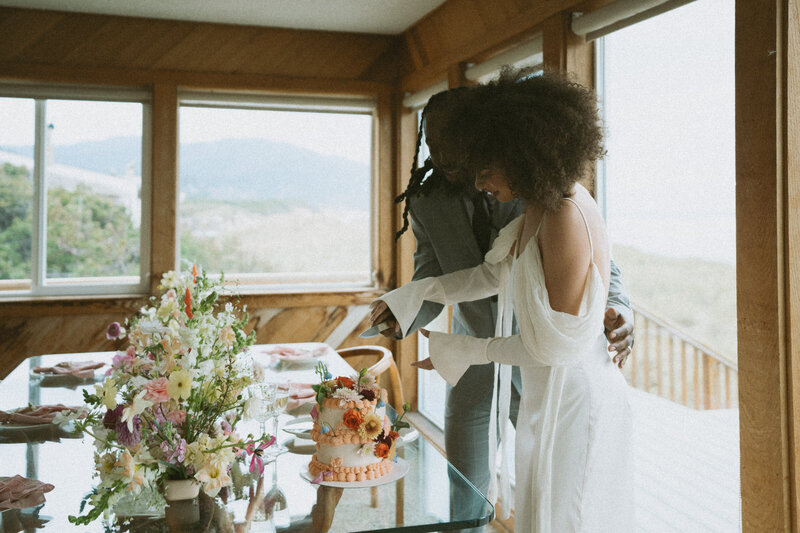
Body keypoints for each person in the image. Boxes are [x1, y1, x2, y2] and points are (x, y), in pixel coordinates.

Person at [371, 70, 634, 531]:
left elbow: (556, 337)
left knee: (564, 516)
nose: (475, 178)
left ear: (513, 149)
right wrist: (409, 300)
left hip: (563, 394)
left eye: (479, 163)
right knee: (500, 506)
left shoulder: (560, 209)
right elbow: (487, 274)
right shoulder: (531, 204)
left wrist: (462, 349)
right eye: (435, 147)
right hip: (527, 387)